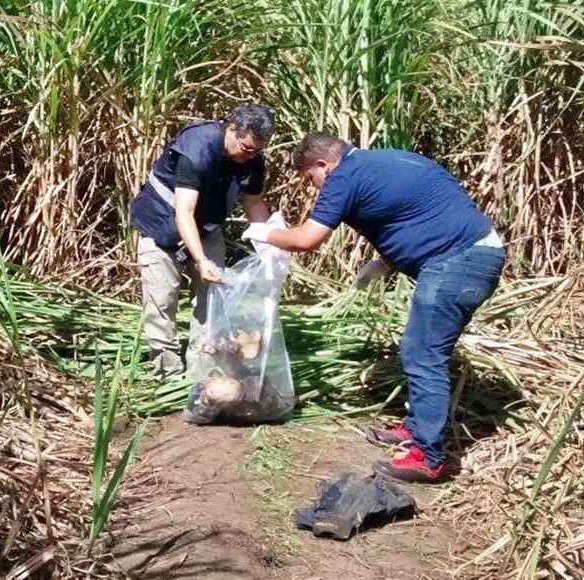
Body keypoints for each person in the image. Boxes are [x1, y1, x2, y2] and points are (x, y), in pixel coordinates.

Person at [243, 132, 505, 482]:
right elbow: (418, 213)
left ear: (323, 164)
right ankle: (415, 430)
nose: (312, 187)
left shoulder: (344, 177)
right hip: (470, 253)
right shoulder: (384, 160)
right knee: (418, 348)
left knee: (424, 352)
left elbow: (306, 240)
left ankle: (429, 458)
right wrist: (386, 261)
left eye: (310, 178)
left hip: (459, 260)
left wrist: (262, 234)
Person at [130, 104, 275, 378]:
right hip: (163, 226)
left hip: (206, 229)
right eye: (246, 148)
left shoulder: (252, 158)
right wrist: (201, 260)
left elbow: (254, 203)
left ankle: (200, 374)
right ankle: (167, 375)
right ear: (232, 128)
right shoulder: (198, 146)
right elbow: (183, 211)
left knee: (212, 301)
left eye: (257, 149)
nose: (251, 155)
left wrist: (269, 248)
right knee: (161, 302)